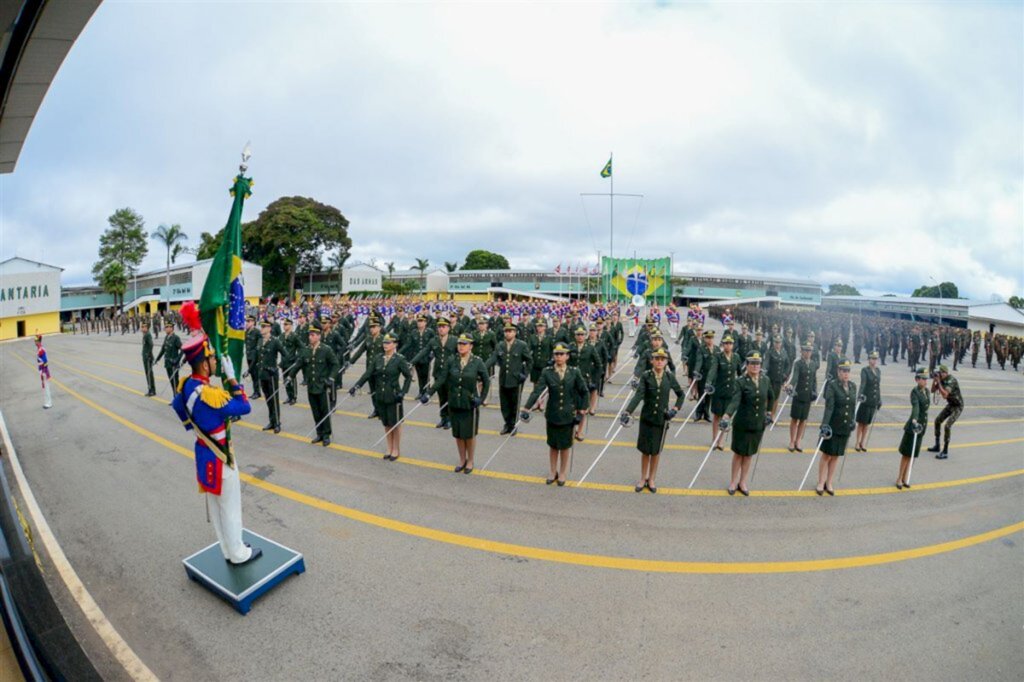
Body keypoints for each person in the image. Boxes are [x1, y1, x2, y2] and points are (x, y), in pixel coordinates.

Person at [170, 303, 260, 566]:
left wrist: (204, 419)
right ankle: (239, 553)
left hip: (203, 451)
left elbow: (179, 408)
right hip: (221, 455)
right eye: (211, 359)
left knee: (216, 506)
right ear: (205, 364)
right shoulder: (210, 394)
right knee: (230, 507)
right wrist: (233, 380)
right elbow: (245, 406)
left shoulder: (186, 386)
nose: (214, 361)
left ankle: (226, 549)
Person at [419, 334, 489, 473]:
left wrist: (480, 399)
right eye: (459, 344)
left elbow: (486, 381)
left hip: (469, 403)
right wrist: (429, 393)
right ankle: (462, 459)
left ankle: (470, 461)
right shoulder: (452, 360)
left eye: (464, 344)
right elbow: (442, 378)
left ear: (471, 346)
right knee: (457, 434)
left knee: (469, 435)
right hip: (454, 402)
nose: (461, 346)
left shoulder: (477, 362)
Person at [521, 343, 588, 486]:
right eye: (556, 354)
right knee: (552, 445)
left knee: (565, 446)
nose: (558, 356)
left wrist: (581, 411)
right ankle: (552, 471)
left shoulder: (574, 372)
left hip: (568, 415)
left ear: (567, 356)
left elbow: (584, 391)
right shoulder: (547, 372)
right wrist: (527, 407)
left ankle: (562, 472)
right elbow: (537, 391)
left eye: (561, 354)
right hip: (553, 413)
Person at [621, 348, 684, 493]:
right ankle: (643, 478)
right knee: (645, 451)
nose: (660, 361)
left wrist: (674, 410)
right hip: (647, 418)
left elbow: (681, 395)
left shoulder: (669, 377)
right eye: (657, 359)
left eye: (662, 359)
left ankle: (652, 478)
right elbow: (639, 396)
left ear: (666, 362)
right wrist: (627, 411)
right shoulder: (646, 376)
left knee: (656, 451)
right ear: (652, 361)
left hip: (661, 419)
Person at [350, 333, 412, 461]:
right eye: (384, 342)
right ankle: (389, 447)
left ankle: (396, 449)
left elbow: (408, 376)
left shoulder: (399, 359)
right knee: (386, 423)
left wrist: (403, 392)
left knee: (395, 423)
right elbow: (368, 374)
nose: (385, 345)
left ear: (395, 344)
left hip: (394, 395)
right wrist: (357, 386)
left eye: (388, 343)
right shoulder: (378, 358)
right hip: (381, 395)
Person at [719, 351, 773, 496]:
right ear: (747, 365)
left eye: (758, 363)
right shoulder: (741, 381)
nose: (755, 366)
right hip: (742, 424)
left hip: (757, 425)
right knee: (738, 454)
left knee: (749, 455)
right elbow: (735, 400)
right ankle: (733, 481)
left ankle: (743, 481)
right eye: (752, 363)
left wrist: (769, 413)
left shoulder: (765, 380)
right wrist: (726, 415)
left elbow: (771, 396)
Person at [290, 322, 340, 446]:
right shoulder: (306, 350)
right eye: (309, 335)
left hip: (322, 386)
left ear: (319, 336)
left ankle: (326, 434)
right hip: (311, 386)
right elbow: (299, 364)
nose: (310, 337)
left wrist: (331, 378)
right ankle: (319, 433)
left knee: (324, 411)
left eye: (312, 335)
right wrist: (290, 376)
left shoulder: (326, 350)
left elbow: (335, 364)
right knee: (315, 411)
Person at [816, 359, 856, 495]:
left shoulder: (852, 386)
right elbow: (829, 407)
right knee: (827, 455)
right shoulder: (832, 386)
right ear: (838, 371)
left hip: (844, 426)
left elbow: (852, 407)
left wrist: (853, 420)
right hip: (833, 426)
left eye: (848, 371)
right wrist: (825, 425)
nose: (846, 373)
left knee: (836, 456)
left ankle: (829, 482)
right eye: (843, 371)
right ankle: (821, 481)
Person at [486, 321, 533, 435]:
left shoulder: (521, 345)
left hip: (516, 379)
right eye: (506, 331)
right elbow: (492, 359)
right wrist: (481, 368)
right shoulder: (500, 345)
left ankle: (513, 425)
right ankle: (507, 424)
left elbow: (529, 360)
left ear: (515, 332)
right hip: (503, 379)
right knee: (504, 404)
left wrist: (525, 374)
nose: (507, 333)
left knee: (514, 404)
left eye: (510, 331)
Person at [411, 316, 458, 429]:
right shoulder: (434, 340)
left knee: (450, 397)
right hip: (438, 373)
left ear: (448, 328)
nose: (441, 329)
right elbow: (424, 352)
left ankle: (450, 419)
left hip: (451, 374)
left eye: (443, 327)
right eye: (439, 327)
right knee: (441, 397)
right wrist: (412, 362)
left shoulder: (454, 340)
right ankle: (443, 418)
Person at [896, 368, 930, 489]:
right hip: (913, 427)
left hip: (921, 427)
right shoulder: (915, 392)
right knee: (906, 454)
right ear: (917, 379)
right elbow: (915, 407)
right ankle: (899, 478)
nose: (926, 381)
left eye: (926, 378)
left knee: (913, 454)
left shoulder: (927, 391)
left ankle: (907, 476)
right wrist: (915, 420)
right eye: (923, 378)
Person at [709, 335, 741, 451]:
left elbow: (739, 373)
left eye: (730, 343)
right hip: (719, 390)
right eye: (726, 343)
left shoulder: (736, 357)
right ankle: (714, 439)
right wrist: (708, 382)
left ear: (732, 345)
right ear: (722, 345)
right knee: (717, 416)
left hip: (730, 392)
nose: (728, 345)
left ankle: (721, 439)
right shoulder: (718, 357)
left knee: (725, 417)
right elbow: (713, 370)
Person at [927, 365, 963, 459]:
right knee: (937, 421)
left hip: (957, 406)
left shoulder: (951, 380)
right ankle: (937, 445)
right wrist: (935, 381)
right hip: (951, 404)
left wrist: (939, 382)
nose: (940, 374)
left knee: (947, 426)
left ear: (946, 373)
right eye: (939, 372)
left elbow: (945, 395)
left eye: (941, 372)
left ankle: (945, 451)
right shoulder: (941, 380)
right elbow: (932, 390)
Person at [255, 320, 285, 434]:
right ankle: (271, 421)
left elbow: (286, 354)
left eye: (264, 327)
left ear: (269, 328)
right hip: (262, 374)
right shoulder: (260, 341)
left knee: (274, 399)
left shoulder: (275, 342)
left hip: (272, 375)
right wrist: (250, 369)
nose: (261, 328)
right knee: (268, 399)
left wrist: (278, 366)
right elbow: (257, 357)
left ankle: (277, 423)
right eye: (261, 326)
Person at [786, 343, 817, 452]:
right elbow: (795, 376)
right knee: (795, 418)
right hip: (798, 395)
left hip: (808, 396)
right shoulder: (798, 363)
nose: (807, 353)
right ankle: (791, 440)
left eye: (809, 351)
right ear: (802, 351)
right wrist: (790, 385)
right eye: (805, 350)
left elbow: (814, 379)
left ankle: (798, 441)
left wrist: (815, 391)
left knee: (803, 420)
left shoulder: (813, 364)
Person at [854, 351, 882, 451]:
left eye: (875, 359)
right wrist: (859, 396)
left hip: (873, 401)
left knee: (867, 424)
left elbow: (878, 386)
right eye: (872, 359)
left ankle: (863, 442)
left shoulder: (878, 371)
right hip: (865, 400)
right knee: (861, 423)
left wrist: (879, 399)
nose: (874, 361)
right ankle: (857, 442)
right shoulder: (865, 370)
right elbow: (863, 384)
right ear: (868, 360)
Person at [153, 320, 183, 389]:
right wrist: (157, 359)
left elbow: (183, 349)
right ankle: (175, 397)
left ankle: (178, 398)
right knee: (172, 383)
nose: (165, 328)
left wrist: (177, 360)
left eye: (167, 327)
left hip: (173, 365)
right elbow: (163, 350)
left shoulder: (176, 338)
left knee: (176, 384)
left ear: (171, 328)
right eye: (165, 327)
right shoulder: (166, 337)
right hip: (168, 365)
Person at [244, 315, 261, 397]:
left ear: (253, 322)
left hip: (255, 357)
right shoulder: (246, 332)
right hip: (249, 356)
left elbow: (259, 346)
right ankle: (256, 391)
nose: (247, 323)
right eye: (246, 321)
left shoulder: (257, 332)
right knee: (253, 375)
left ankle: (257, 392)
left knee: (255, 375)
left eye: (249, 321)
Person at [34, 335, 53, 409]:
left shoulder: (41, 350)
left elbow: (46, 361)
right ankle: (46, 402)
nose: (35, 342)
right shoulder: (39, 349)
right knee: (44, 387)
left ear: (38, 341)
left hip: (44, 371)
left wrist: (44, 371)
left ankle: (49, 403)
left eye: (36, 341)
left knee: (46, 387)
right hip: (42, 371)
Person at [141, 322, 156, 396]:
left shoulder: (148, 335)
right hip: (145, 358)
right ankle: (150, 389)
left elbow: (151, 344)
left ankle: (152, 390)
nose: (143, 328)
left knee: (149, 374)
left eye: (144, 327)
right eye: (142, 327)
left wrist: (148, 354)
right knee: (147, 374)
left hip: (148, 358)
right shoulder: (145, 335)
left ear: (147, 328)